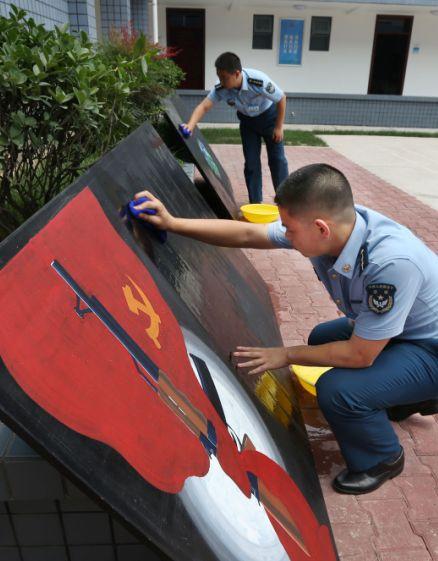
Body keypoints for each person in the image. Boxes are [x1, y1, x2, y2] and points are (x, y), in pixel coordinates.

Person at [133, 163, 438, 495]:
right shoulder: (338, 226)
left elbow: (360, 355)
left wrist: (285, 355)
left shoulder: (390, 263)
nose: (285, 234)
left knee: (338, 391)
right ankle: (406, 396)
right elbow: (248, 234)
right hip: (407, 332)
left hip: (430, 348)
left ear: (321, 228)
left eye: (289, 229)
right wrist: (172, 223)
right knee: (322, 338)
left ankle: (382, 457)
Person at [182, 51, 289, 204]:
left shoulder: (257, 80)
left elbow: (281, 98)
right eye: (219, 77)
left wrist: (278, 127)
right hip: (248, 124)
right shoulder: (222, 88)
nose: (221, 81)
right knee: (251, 163)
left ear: (237, 73)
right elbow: (204, 106)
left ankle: (285, 201)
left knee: (277, 160)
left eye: (224, 77)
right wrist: (190, 125)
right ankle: (255, 203)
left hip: (269, 120)